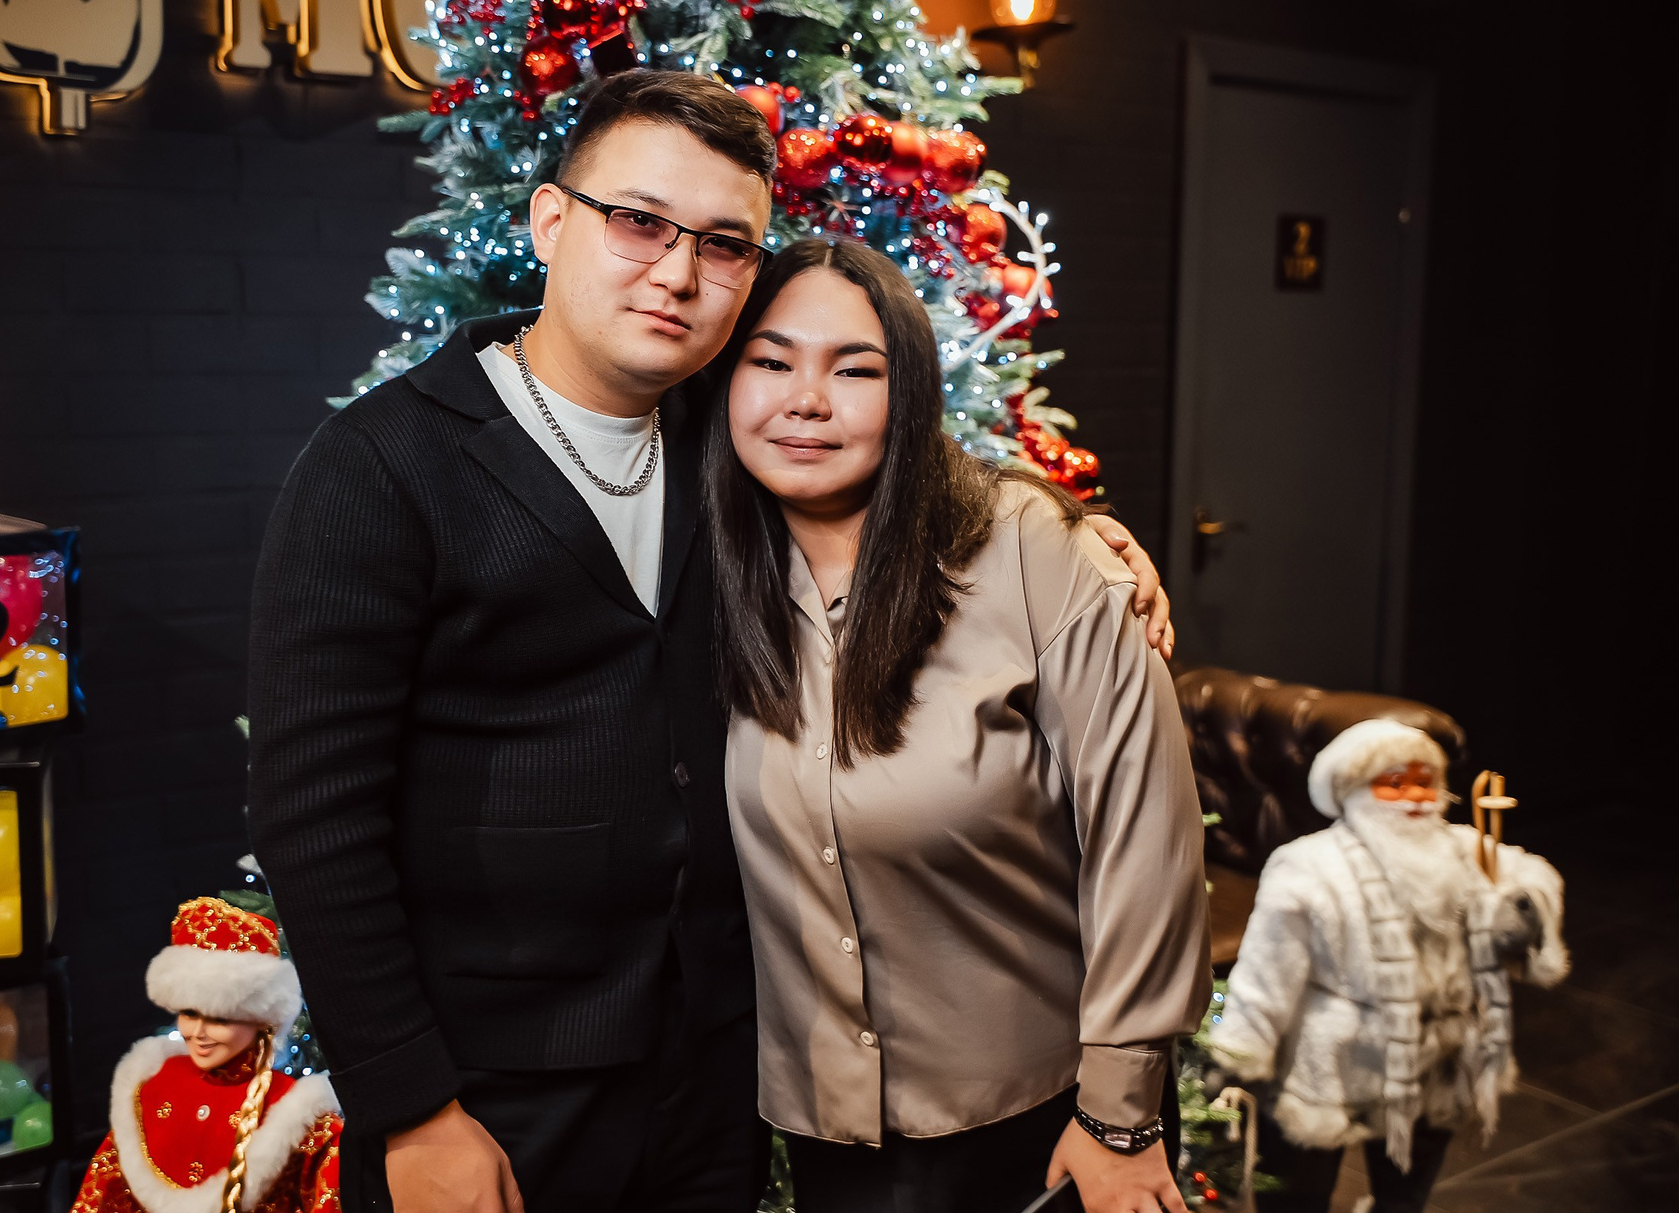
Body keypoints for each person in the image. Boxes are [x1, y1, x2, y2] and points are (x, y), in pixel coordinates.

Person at [246, 70, 1172, 1213]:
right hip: (490, 1090)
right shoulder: (380, 469)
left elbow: (894, 462)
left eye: (724, 244)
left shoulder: (722, 440)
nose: (678, 272)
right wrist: (411, 1106)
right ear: (550, 220)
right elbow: (314, 818)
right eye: (638, 221)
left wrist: (1072, 529)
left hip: (712, 1076)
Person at [709, 238, 1209, 1213]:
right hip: (829, 1137)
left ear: (911, 394)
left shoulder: (1030, 549)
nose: (806, 400)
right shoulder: (705, 569)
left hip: (1049, 1126)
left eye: (856, 370)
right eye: (770, 361)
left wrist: (1121, 1114)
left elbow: (1144, 832)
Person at [1208, 720, 1568, 1213]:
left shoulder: (1466, 849)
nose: (1414, 796)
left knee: (1406, 1192)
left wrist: (1517, 907)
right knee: (1299, 1191)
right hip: (1335, 1058)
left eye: (1424, 781)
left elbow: (1534, 878)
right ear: (1353, 788)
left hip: (1435, 1057)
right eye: (1394, 782)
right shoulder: (1309, 865)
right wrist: (1240, 1051)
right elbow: (1269, 968)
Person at [72, 896, 343, 1213]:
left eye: (219, 1019)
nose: (198, 1032)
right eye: (189, 1013)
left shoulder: (300, 1115)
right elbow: (101, 1196)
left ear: (262, 1020)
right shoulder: (149, 1089)